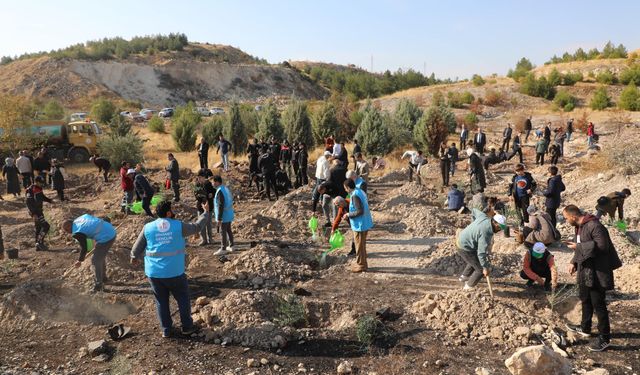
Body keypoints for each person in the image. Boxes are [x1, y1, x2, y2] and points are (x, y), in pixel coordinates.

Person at [130, 201, 207, 338]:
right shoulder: (178, 225)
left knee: (161, 301)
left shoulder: (148, 227)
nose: (173, 211)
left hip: (154, 273)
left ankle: (166, 330)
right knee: (182, 298)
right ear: (168, 213)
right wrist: (205, 213)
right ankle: (187, 327)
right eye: (171, 209)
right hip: (174, 271)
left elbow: (137, 248)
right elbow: (197, 227)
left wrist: (134, 257)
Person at [563, 204, 622, 352]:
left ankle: (605, 338)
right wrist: (574, 262)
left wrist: (578, 248)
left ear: (573, 216)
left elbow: (603, 247)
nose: (565, 221)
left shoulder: (595, 226)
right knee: (585, 299)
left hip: (597, 271)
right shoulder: (580, 227)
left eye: (566, 218)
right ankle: (585, 327)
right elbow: (580, 246)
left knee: (598, 304)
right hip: (585, 270)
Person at [62, 214, 117, 292]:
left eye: (66, 231)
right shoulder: (80, 218)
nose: (68, 233)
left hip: (107, 237)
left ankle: (99, 285)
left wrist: (80, 260)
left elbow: (84, 248)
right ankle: (104, 278)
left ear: (68, 228)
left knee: (95, 260)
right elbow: (95, 221)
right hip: (109, 229)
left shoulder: (77, 232)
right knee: (99, 257)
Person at [457, 206, 505, 290]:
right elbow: (481, 253)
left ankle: (464, 277)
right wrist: (485, 268)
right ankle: (468, 288)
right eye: (499, 227)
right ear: (495, 223)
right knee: (480, 270)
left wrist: (474, 223)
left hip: (463, 240)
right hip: (464, 247)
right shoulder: (486, 233)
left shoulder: (484, 217)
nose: (499, 230)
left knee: (474, 260)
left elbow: (474, 210)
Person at [342, 179, 373, 273]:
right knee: (361, 245)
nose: (345, 190)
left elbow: (360, 211)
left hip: (360, 225)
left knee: (359, 246)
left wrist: (348, 215)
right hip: (364, 222)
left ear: (348, 187)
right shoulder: (360, 191)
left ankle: (361, 266)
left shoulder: (355, 195)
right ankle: (363, 264)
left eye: (345, 188)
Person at [26, 175, 53, 251]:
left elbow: (42, 197)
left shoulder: (39, 188)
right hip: (36, 212)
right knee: (46, 226)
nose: (42, 184)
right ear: (36, 182)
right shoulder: (30, 190)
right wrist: (33, 214)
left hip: (39, 211)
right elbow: (28, 203)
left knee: (38, 228)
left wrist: (50, 200)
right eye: (41, 183)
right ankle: (39, 243)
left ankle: (37, 245)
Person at [212, 175, 235, 255]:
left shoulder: (219, 191)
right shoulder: (225, 188)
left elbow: (220, 205)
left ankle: (223, 248)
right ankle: (231, 246)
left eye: (213, 182)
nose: (213, 183)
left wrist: (219, 218)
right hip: (229, 213)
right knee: (228, 229)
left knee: (223, 231)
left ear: (217, 182)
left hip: (224, 215)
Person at [194, 169, 216, 246]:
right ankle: (203, 239)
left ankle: (210, 239)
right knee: (201, 224)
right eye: (198, 177)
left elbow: (214, 191)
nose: (199, 179)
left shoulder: (208, 184)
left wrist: (211, 195)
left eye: (200, 177)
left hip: (209, 206)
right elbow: (196, 194)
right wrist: (202, 198)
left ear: (204, 177)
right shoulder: (197, 185)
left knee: (209, 224)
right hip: (200, 207)